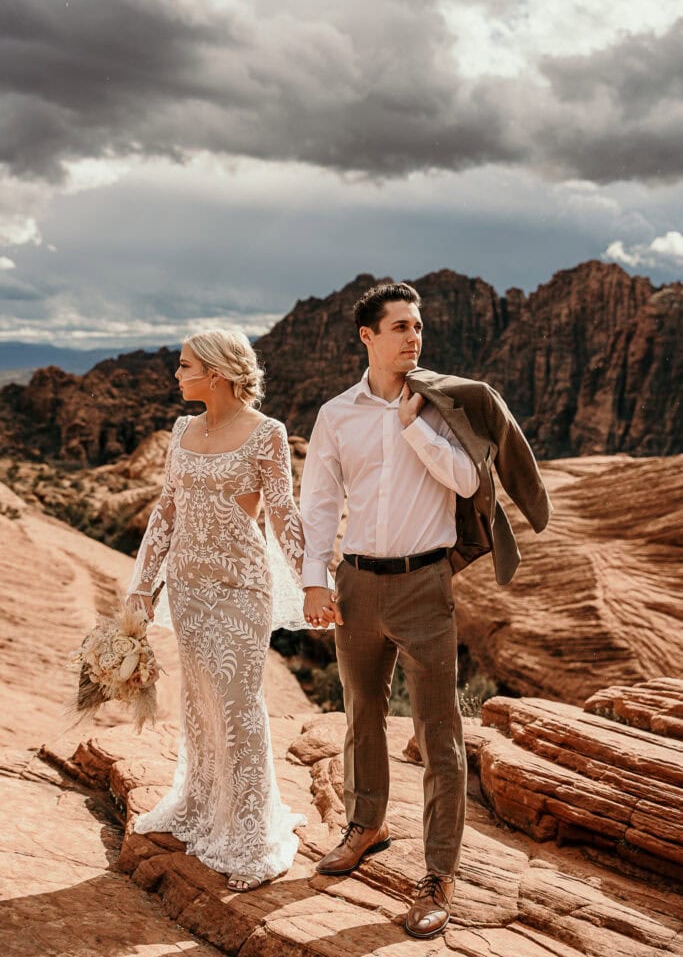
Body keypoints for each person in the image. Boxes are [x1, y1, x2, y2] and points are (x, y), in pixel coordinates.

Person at [300, 281, 551, 940]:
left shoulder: (439, 407)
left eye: (418, 327)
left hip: (423, 586)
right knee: (362, 716)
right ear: (368, 336)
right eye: (400, 327)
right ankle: (366, 823)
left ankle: (437, 874)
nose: (413, 337)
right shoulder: (336, 415)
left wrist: (414, 431)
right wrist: (312, 582)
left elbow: (471, 483)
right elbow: (320, 504)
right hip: (354, 584)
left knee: (440, 735)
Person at [127, 329, 318, 892]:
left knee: (238, 702)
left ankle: (252, 834)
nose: (176, 375)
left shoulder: (268, 434)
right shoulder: (182, 430)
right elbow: (166, 510)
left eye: (184, 366)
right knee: (201, 697)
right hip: (187, 584)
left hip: (240, 588)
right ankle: (207, 807)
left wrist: (313, 583)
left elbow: (283, 512)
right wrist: (143, 584)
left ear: (216, 372)